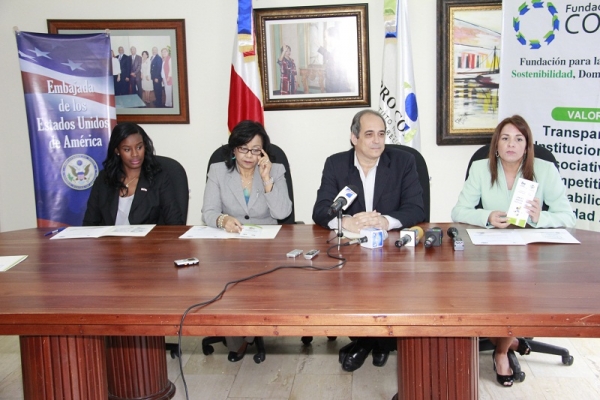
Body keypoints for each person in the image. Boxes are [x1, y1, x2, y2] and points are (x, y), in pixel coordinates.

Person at [451, 114, 575, 387]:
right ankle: (508, 340)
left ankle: (500, 350)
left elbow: (568, 217)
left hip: (533, 258)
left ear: (528, 146)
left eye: (519, 139)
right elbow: (458, 211)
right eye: (505, 138)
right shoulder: (481, 169)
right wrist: (487, 216)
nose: (511, 144)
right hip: (489, 254)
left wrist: (539, 218)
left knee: (514, 290)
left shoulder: (545, 170)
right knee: (487, 290)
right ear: (496, 144)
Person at [312, 109, 425, 372]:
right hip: (352, 254)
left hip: (392, 254)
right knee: (350, 288)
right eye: (369, 134)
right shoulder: (336, 164)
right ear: (354, 137)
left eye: (382, 134)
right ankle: (368, 339)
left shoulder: (403, 162)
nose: (377, 141)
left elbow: (417, 208)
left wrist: (386, 220)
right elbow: (320, 210)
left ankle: (377, 341)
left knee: (389, 289)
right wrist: (345, 222)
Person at [201, 120, 292, 361]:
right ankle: (237, 338)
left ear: (263, 151)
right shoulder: (218, 171)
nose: (249, 155)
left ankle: (250, 332)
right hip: (229, 243)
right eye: (243, 148)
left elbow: (283, 213)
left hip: (266, 245)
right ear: (233, 149)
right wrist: (223, 220)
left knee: (259, 284)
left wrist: (267, 179)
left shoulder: (275, 170)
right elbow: (208, 212)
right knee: (228, 284)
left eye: (255, 150)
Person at [83, 122, 184, 226]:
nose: (135, 154)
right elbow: (90, 224)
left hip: (146, 241)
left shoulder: (159, 178)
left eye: (139, 147)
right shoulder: (105, 179)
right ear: (117, 151)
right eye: (127, 149)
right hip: (111, 241)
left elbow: (175, 223)